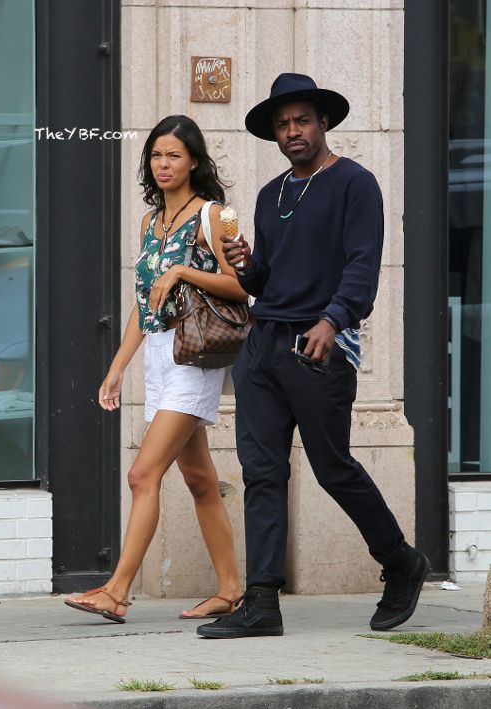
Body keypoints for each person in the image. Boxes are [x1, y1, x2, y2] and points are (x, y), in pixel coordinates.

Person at [197, 73, 430, 639]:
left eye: (302, 120)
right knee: (262, 472)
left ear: (324, 122)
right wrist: (244, 263)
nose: (292, 131)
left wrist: (332, 320)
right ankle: (261, 603)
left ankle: (401, 561)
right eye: (282, 124)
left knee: (332, 468)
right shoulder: (270, 193)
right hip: (262, 345)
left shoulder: (355, 183)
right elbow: (266, 280)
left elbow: (361, 266)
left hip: (316, 346)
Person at [65, 115, 246, 623]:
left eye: (174, 155)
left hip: (195, 357)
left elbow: (243, 286)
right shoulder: (150, 222)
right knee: (199, 479)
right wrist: (117, 368)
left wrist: (184, 269)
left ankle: (116, 592)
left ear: (194, 161)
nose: (163, 164)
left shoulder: (213, 215)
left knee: (143, 474)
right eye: (156, 155)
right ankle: (231, 589)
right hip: (160, 357)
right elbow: (143, 306)